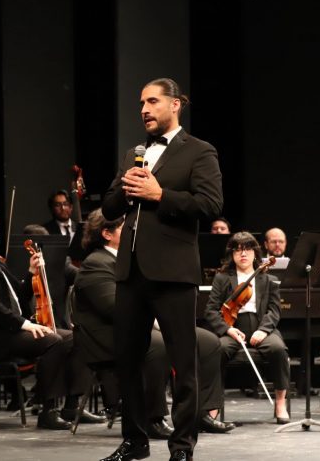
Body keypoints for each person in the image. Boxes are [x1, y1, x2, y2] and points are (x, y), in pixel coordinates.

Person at [101, 77, 223, 461]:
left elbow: (210, 205)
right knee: (128, 362)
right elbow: (108, 208)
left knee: (183, 364)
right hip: (130, 272)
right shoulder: (134, 154)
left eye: (152, 101)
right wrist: (127, 191)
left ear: (175, 104)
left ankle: (182, 447)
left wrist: (160, 195)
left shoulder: (199, 151)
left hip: (173, 273)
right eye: (141, 103)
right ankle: (135, 441)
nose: (144, 110)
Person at [73, 210, 234, 439]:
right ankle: (151, 418)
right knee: (156, 345)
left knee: (208, 342)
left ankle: (200, 413)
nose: (134, 230)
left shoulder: (135, 259)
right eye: (126, 227)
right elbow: (114, 307)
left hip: (142, 325)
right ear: (107, 234)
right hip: (106, 336)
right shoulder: (96, 263)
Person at [0, 206, 101, 429]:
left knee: (77, 337)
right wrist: (25, 324)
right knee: (54, 341)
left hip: (10, 331)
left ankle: (72, 406)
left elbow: (20, 295)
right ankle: (47, 410)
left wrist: (31, 272)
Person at [204, 232, 290, 424]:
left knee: (278, 349)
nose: (243, 254)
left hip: (262, 327)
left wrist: (263, 330)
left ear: (255, 253)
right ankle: (213, 406)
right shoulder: (222, 278)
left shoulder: (268, 279)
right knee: (218, 351)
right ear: (232, 254)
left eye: (247, 249)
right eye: (238, 250)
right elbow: (211, 310)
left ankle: (280, 403)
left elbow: (274, 310)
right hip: (233, 328)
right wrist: (228, 329)